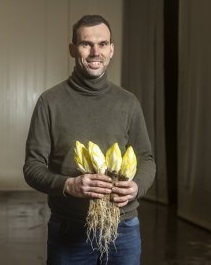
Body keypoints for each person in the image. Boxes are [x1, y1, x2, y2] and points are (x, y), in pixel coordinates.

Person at [23, 15, 156, 265]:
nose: (96, 52)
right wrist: (69, 185)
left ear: (111, 49)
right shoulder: (50, 102)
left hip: (124, 229)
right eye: (86, 44)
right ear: (72, 49)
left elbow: (146, 158)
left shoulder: (127, 102)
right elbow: (32, 167)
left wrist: (138, 186)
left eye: (103, 44)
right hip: (69, 229)